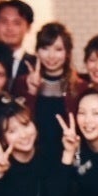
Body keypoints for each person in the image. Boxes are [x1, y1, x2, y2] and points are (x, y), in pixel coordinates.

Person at [22, 21, 77, 155]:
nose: (51, 55)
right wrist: (31, 92)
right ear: (37, 51)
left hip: (69, 155)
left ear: (67, 53)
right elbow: (18, 124)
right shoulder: (22, 82)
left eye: (58, 49)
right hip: (32, 156)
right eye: (45, 48)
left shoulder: (80, 86)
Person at [0, 0, 36, 91]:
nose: (9, 28)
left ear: (28, 28)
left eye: (17, 23)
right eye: (4, 22)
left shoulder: (35, 65)